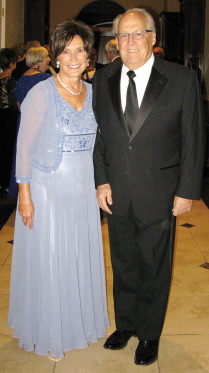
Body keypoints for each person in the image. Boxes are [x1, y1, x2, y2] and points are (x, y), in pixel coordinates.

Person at [92, 8, 204, 366]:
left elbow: (193, 138)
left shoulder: (181, 79)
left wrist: (187, 190)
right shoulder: (103, 77)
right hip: (118, 191)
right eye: (123, 35)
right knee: (123, 262)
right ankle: (125, 324)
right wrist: (100, 180)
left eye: (138, 33)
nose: (130, 41)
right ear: (115, 42)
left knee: (154, 265)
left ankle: (150, 334)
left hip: (160, 191)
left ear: (153, 38)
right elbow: (102, 138)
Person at [8, 18, 109, 361]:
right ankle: (52, 333)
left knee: (78, 253)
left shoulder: (94, 91)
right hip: (48, 187)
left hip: (83, 187)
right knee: (52, 256)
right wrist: (25, 196)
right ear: (55, 55)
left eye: (80, 50)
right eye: (67, 51)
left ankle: (78, 322)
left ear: (89, 54)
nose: (75, 57)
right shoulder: (41, 92)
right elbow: (24, 147)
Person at [8, 46, 51, 199]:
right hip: (40, 124)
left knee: (24, 154)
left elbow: (19, 105)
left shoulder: (22, 78)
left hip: (23, 122)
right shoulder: (44, 79)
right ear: (39, 60)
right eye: (46, 57)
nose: (49, 60)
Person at [0, 48, 18, 196]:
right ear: (12, 63)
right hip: (8, 119)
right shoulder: (11, 82)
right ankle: (6, 184)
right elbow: (14, 103)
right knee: (8, 151)